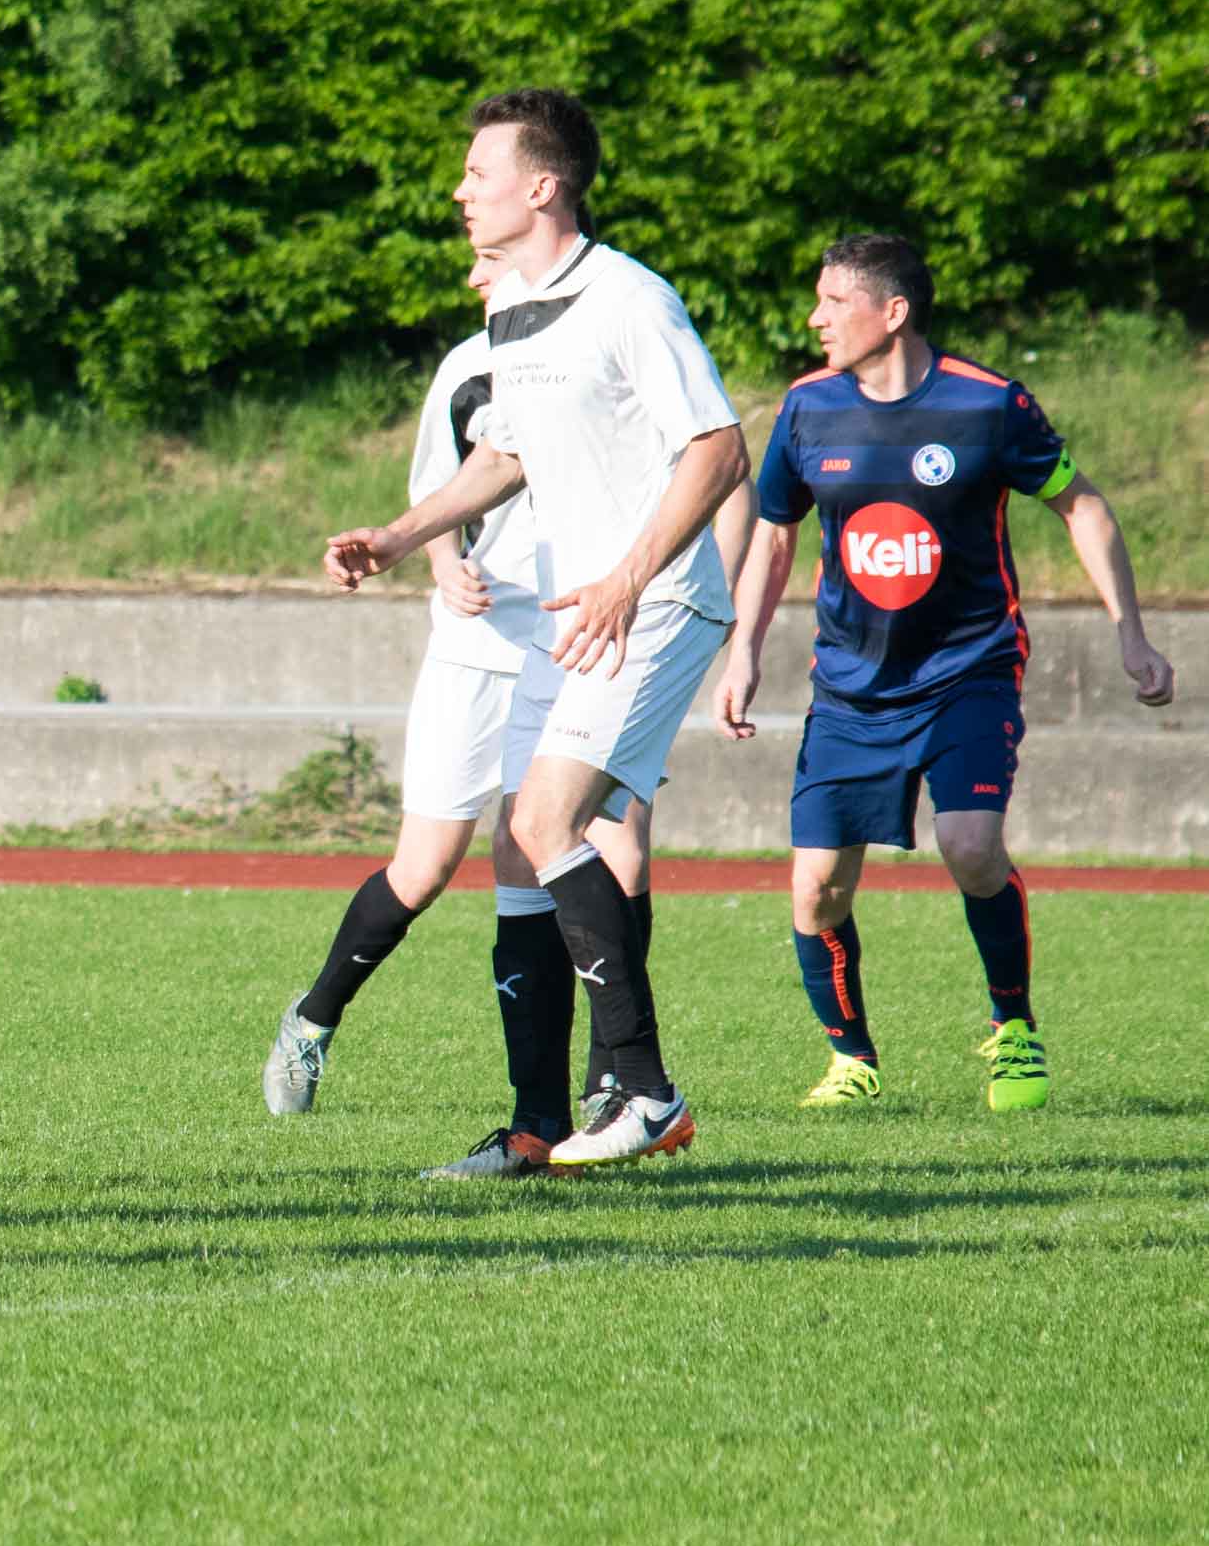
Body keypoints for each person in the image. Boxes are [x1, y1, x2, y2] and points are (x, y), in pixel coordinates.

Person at [326, 87, 745, 1172]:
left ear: (542, 185)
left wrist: (625, 578)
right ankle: (573, 1112)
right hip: (589, 612)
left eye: (478, 172)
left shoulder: (628, 298)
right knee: (527, 835)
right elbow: (504, 455)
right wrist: (399, 535)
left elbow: (717, 448)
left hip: (656, 602)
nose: (459, 190)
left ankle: (642, 1089)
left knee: (547, 817)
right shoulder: (513, 307)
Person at [712, 233, 1176, 1111]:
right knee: (816, 888)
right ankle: (850, 1059)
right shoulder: (807, 408)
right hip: (850, 685)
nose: (813, 318)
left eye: (832, 302)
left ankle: (1013, 1026)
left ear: (892, 312)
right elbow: (774, 534)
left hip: (970, 667)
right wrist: (741, 650)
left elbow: (1080, 503)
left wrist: (1132, 635)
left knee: (969, 846)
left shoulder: (987, 403)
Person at [263, 251, 661, 1173]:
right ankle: (312, 1019)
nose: (480, 275)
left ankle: (600, 1093)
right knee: (425, 865)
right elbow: (437, 491)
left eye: (494, 258)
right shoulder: (464, 368)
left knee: (600, 850)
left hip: (581, 633)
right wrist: (442, 565)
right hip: (476, 644)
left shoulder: (610, 343)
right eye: (478, 262)